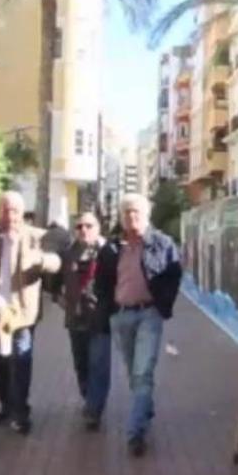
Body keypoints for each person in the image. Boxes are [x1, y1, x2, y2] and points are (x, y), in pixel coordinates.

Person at [0, 191, 61, 435]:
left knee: (21, 359)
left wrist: (39, 259)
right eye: (6, 210)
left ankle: (20, 412)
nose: (11, 216)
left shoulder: (36, 236)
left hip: (22, 312)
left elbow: (57, 261)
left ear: (22, 213)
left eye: (15, 211)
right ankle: (7, 406)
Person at [94, 193, 181, 457]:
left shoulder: (162, 244)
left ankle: (135, 432)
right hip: (121, 316)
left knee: (143, 372)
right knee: (134, 372)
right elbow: (102, 283)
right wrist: (108, 310)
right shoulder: (111, 249)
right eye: (127, 212)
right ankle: (146, 406)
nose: (132, 217)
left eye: (137, 212)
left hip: (149, 315)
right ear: (121, 217)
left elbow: (174, 275)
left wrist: (163, 303)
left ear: (147, 215)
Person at [58, 212, 110, 431]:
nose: (84, 230)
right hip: (75, 319)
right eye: (79, 226)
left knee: (98, 364)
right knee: (81, 364)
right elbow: (53, 283)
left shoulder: (109, 252)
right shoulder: (68, 254)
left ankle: (94, 409)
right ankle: (89, 397)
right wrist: (62, 300)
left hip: (100, 318)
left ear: (98, 228)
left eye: (89, 225)